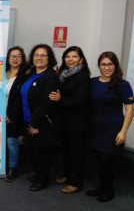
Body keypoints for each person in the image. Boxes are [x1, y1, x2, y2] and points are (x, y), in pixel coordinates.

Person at [85, 51, 134, 202]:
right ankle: (101, 187)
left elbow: (130, 110)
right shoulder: (92, 82)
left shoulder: (123, 84)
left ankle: (109, 190)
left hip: (113, 128)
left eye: (110, 64)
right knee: (98, 159)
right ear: (99, 66)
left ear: (115, 65)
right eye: (103, 64)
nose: (106, 67)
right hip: (95, 128)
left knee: (107, 160)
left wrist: (123, 132)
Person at [49, 46, 91, 193]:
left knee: (76, 154)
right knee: (65, 151)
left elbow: (80, 101)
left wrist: (61, 99)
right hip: (64, 121)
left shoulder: (83, 76)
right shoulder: (63, 74)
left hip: (77, 123)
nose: (70, 59)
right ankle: (67, 175)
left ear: (81, 60)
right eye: (67, 56)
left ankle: (76, 182)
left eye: (74, 57)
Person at [19, 44, 61, 191]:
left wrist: (34, 124)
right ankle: (38, 174)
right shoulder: (31, 74)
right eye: (37, 54)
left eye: (43, 55)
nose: (39, 58)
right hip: (26, 119)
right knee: (30, 151)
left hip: (40, 122)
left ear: (49, 59)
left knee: (41, 153)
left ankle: (41, 180)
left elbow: (46, 103)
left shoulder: (51, 77)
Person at [4, 46, 30, 182]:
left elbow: (21, 98)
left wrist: (12, 116)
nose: (15, 59)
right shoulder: (1, 72)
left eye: (18, 56)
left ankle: (12, 168)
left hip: (13, 114)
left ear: (22, 58)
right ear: (7, 58)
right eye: (12, 56)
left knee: (11, 141)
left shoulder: (25, 75)